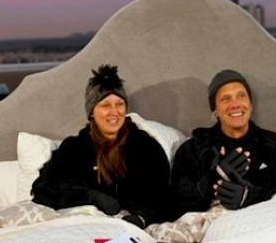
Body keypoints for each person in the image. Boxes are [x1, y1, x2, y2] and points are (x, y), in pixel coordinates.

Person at [31, 64, 171, 228]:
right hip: (85, 227)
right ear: (91, 111)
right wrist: (89, 196)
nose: (114, 112)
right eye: (105, 105)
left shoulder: (145, 147)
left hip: (134, 227)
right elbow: (43, 191)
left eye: (119, 104)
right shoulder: (74, 149)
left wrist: (142, 217)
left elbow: (164, 197)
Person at [171, 69, 276, 215]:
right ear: (215, 110)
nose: (235, 104)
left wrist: (252, 197)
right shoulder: (193, 150)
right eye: (225, 99)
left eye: (241, 96)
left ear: (250, 105)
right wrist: (212, 180)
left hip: (268, 225)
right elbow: (176, 205)